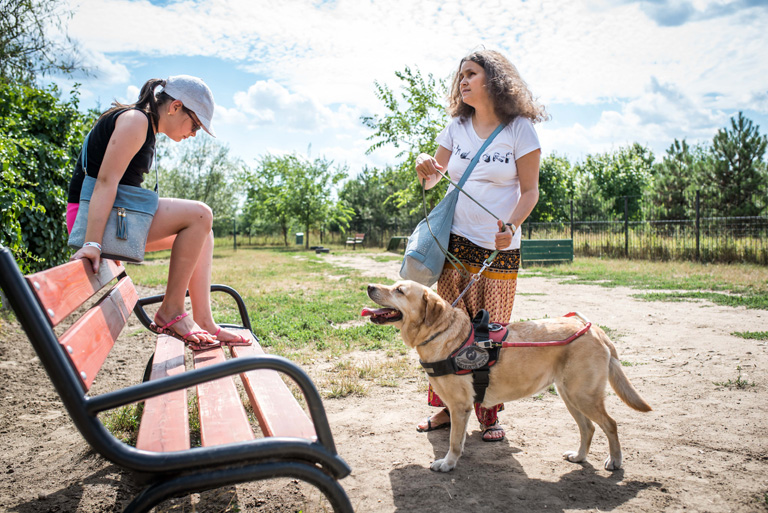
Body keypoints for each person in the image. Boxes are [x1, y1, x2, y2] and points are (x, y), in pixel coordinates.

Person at [413, 50, 547, 441]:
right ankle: (444, 411)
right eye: (460, 76)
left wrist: (513, 224)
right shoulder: (455, 126)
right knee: (445, 330)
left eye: (471, 73)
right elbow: (431, 180)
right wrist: (424, 165)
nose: (463, 81)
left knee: (489, 334)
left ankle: (488, 413)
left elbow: (530, 190)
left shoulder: (519, 128)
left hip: (498, 248)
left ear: (494, 79)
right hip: (454, 244)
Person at [67, 75, 248, 350]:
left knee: (204, 234)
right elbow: (105, 182)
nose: (194, 134)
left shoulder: (146, 126)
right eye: (196, 124)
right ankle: (171, 312)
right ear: (175, 106)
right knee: (200, 215)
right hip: (92, 217)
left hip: (112, 217)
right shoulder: (135, 120)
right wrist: (93, 242)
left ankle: (206, 322)